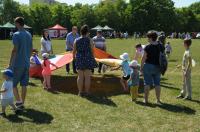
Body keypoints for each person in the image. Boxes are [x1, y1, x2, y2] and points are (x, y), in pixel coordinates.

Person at [9, 17, 32, 109]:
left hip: (18, 63)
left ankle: (18, 102)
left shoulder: (16, 34)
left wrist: (10, 63)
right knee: (24, 84)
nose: (15, 25)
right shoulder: (29, 34)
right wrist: (27, 58)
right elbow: (31, 49)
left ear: (18, 24)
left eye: (15, 23)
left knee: (12, 84)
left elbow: (14, 50)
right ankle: (22, 103)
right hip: (26, 63)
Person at [73, 25, 98, 97]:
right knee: (87, 77)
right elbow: (92, 50)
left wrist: (74, 58)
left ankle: (80, 92)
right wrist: (93, 58)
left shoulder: (76, 40)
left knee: (80, 77)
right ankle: (87, 92)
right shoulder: (90, 40)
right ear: (87, 32)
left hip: (79, 58)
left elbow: (74, 51)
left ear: (81, 31)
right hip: (88, 58)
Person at [141, 30, 164, 104]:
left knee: (147, 83)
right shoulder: (161, 46)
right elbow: (163, 57)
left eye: (148, 37)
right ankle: (158, 100)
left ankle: (146, 100)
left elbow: (144, 58)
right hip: (158, 66)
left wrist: (141, 67)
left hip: (148, 66)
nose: (147, 39)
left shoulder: (147, 46)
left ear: (151, 38)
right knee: (157, 84)